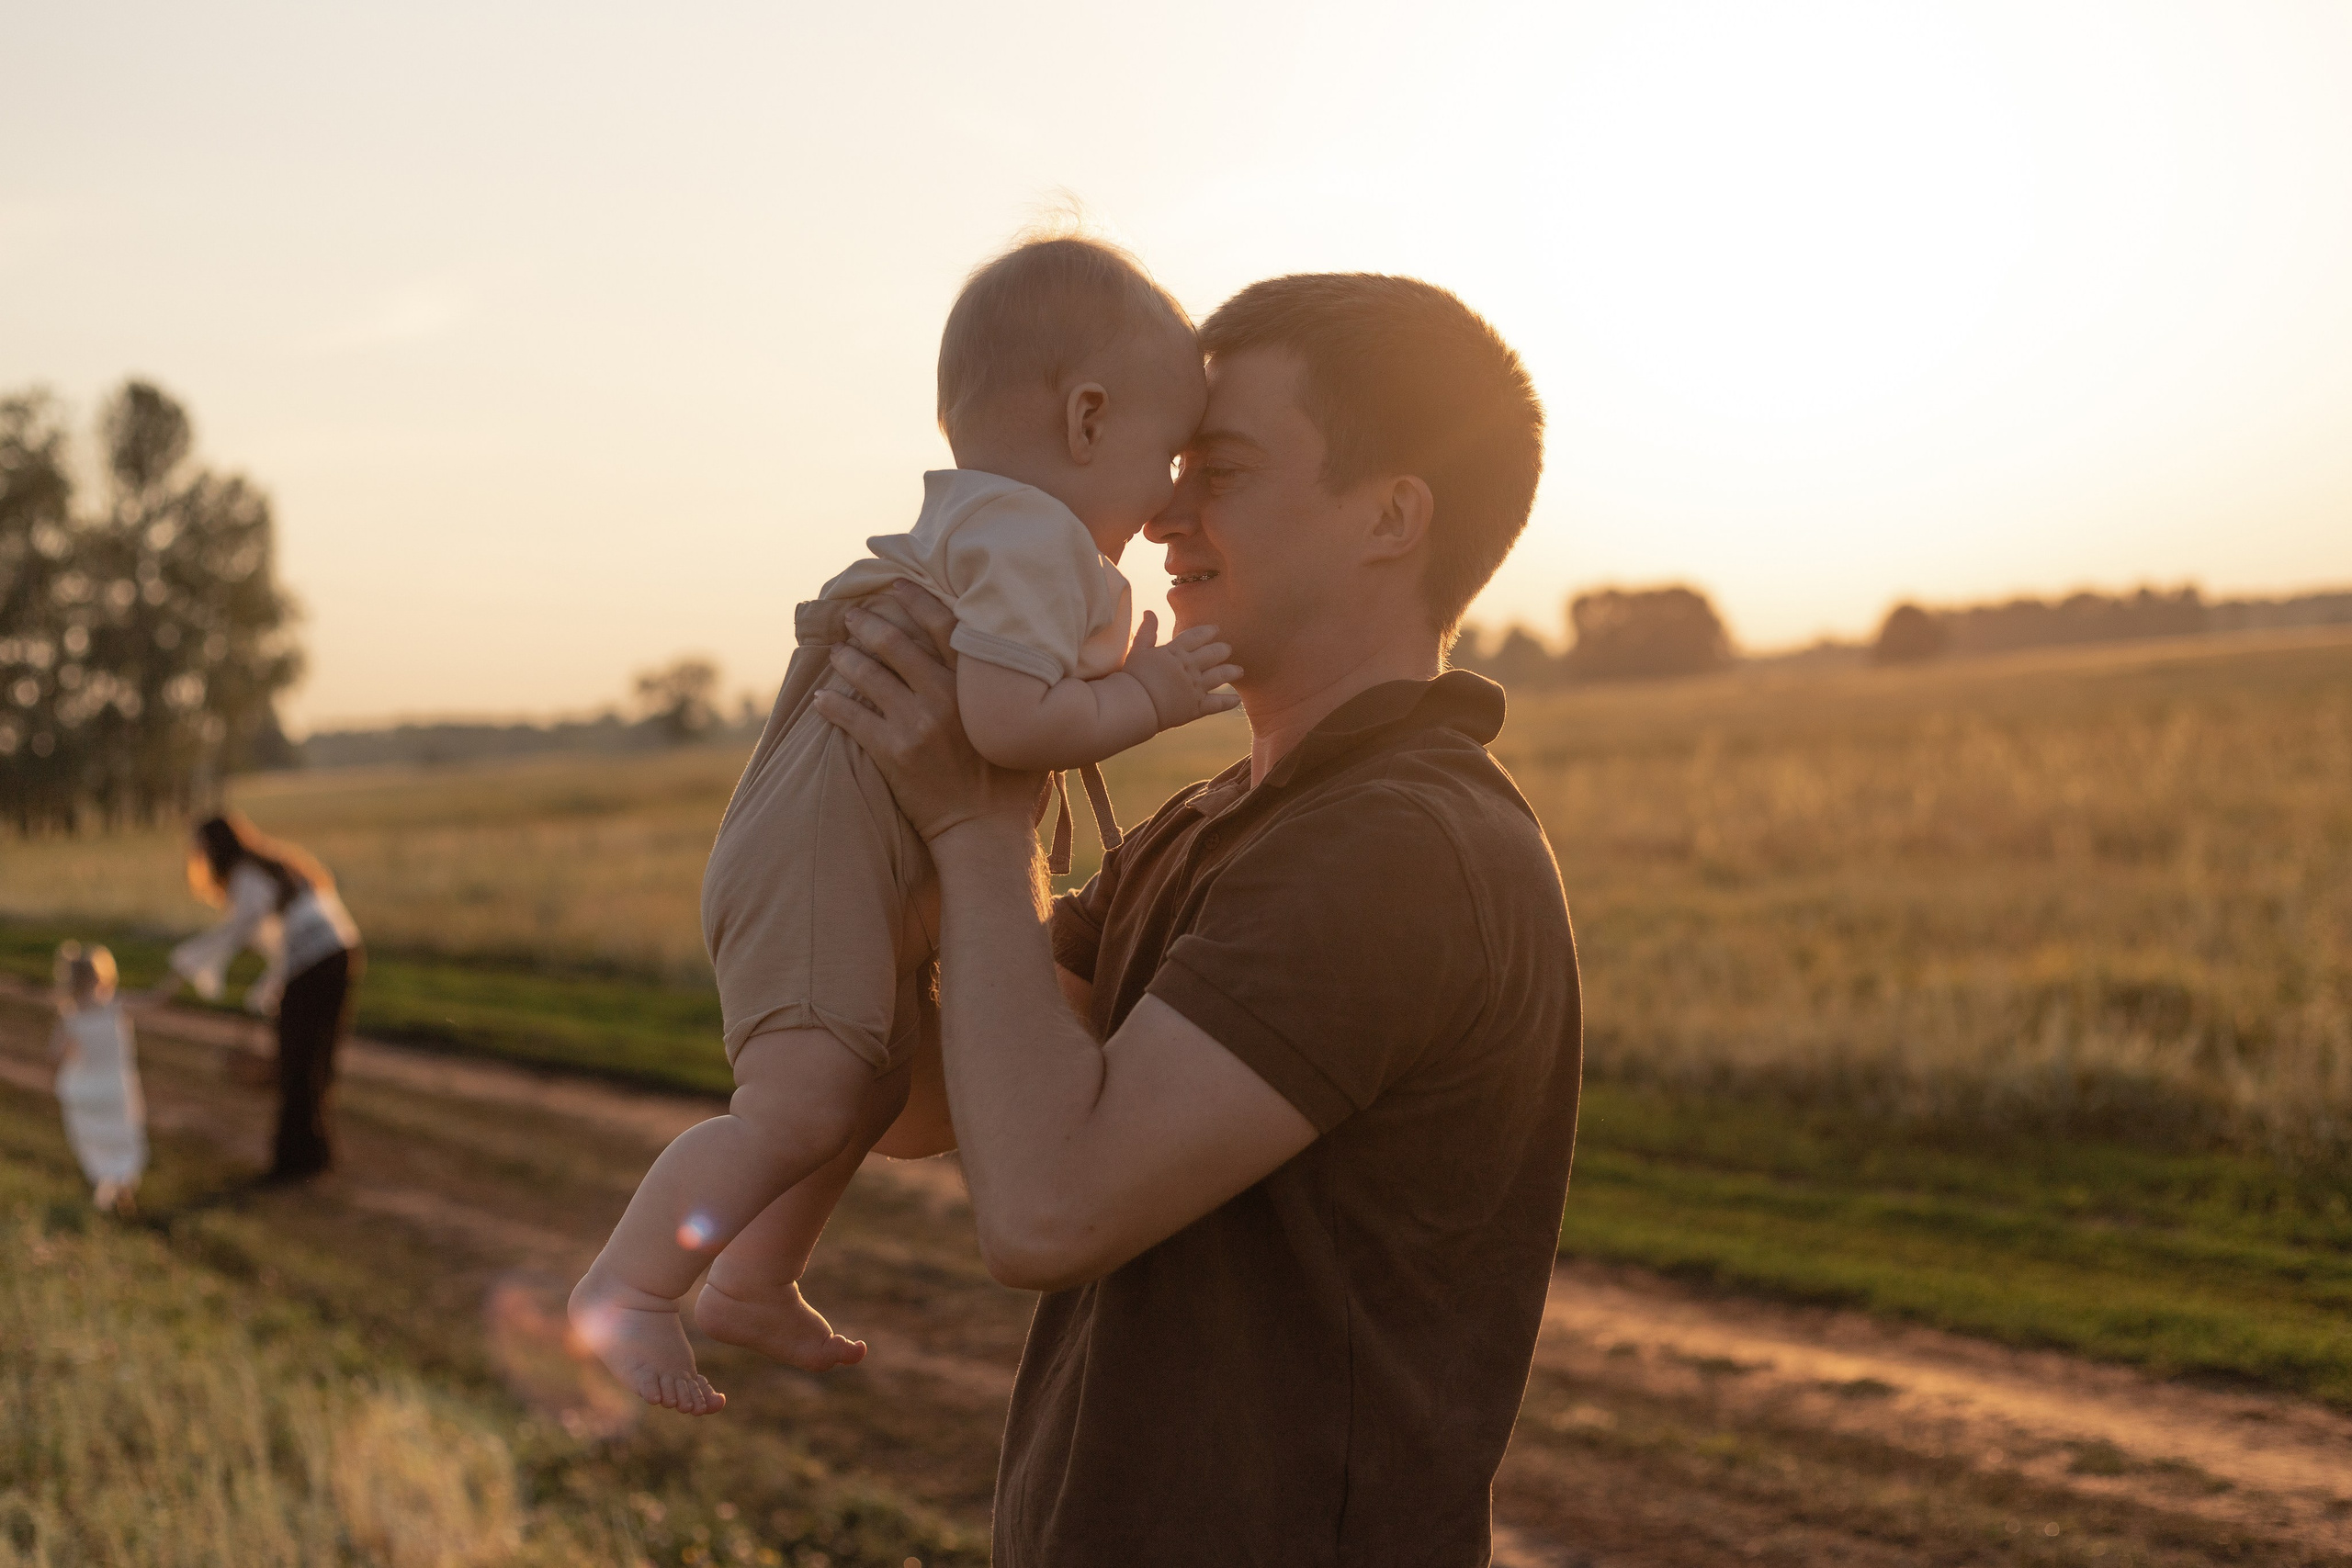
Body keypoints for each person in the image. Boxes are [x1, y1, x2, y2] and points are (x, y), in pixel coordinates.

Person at [817, 273, 1581, 1564]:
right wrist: (853, 834)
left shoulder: (1401, 848)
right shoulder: (1211, 819)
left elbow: (1046, 1208)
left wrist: (980, 830)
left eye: (1218, 470)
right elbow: (924, 1107)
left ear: (1391, 517)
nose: (1161, 514)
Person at [567, 235, 1240, 1415]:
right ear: (1087, 419)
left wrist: (1104, 677)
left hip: (830, 852)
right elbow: (1005, 719)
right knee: (797, 1104)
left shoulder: (1003, 534)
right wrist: (1152, 697)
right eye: (1169, 453)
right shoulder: (1032, 539)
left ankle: (751, 1277)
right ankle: (629, 1286)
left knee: (869, 1087)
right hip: (820, 863)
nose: (1170, 502)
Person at [152, 813, 364, 1182]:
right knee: (316, 1058)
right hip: (341, 953)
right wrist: (270, 988)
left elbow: (236, 932)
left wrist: (182, 967)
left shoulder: (246, 876)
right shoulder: (273, 864)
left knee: (296, 1063)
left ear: (214, 848)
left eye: (199, 848)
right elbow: (282, 937)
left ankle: (292, 1161)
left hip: (313, 963)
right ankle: (314, 1153)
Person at [50, 942, 147, 1213]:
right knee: (122, 1137)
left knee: (95, 1142)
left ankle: (106, 1186)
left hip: (84, 1090)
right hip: (115, 1088)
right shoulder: (116, 1005)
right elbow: (153, 1001)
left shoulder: (70, 1016)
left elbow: (56, 1054)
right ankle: (122, 1188)